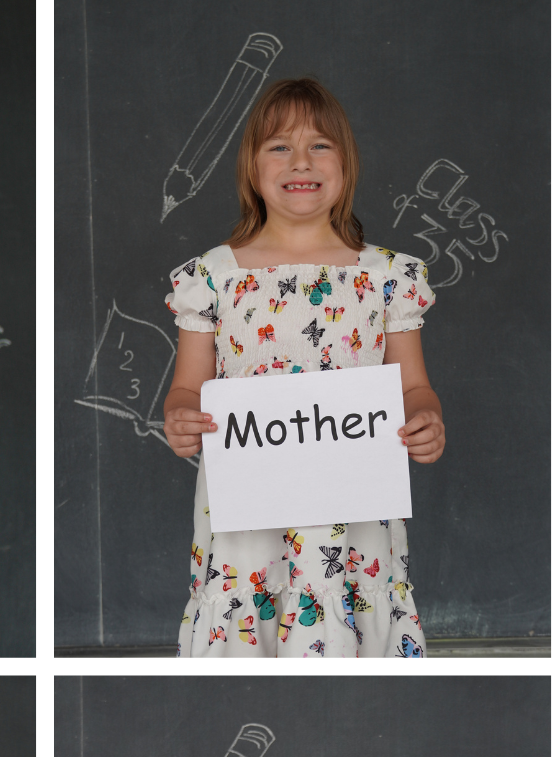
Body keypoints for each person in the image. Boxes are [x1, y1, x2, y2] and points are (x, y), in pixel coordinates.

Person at [161, 78, 444, 658]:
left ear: (346, 162)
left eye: (320, 145)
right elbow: (186, 387)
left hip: (353, 519)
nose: (300, 162)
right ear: (251, 166)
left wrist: (426, 420)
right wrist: (181, 417)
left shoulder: (386, 277)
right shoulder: (212, 278)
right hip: (247, 522)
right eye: (279, 147)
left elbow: (414, 386)